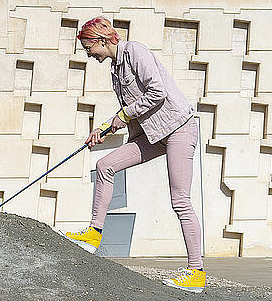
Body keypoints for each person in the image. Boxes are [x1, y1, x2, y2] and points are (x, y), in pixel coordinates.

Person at [63, 16, 206, 293]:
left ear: (101, 41)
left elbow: (157, 93)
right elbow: (132, 112)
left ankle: (196, 271)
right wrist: (106, 127)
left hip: (178, 128)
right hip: (153, 135)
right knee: (105, 165)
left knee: (180, 201)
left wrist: (121, 116)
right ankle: (93, 234)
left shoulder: (135, 52)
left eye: (89, 48)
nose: (89, 54)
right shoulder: (116, 71)